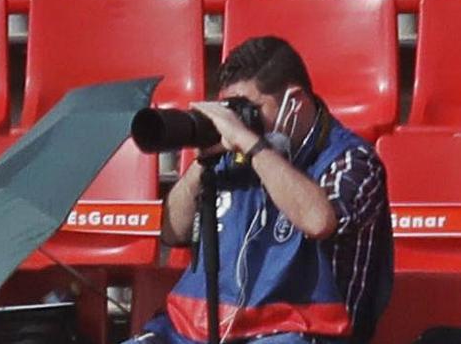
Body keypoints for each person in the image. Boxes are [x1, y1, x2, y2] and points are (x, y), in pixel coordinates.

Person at [126, 36, 393, 344]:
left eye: (248, 108)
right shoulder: (231, 154)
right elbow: (174, 232)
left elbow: (319, 222)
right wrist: (203, 162)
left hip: (301, 331)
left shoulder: (351, 161)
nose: (238, 122)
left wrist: (254, 146)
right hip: (200, 329)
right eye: (231, 109)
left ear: (295, 102)